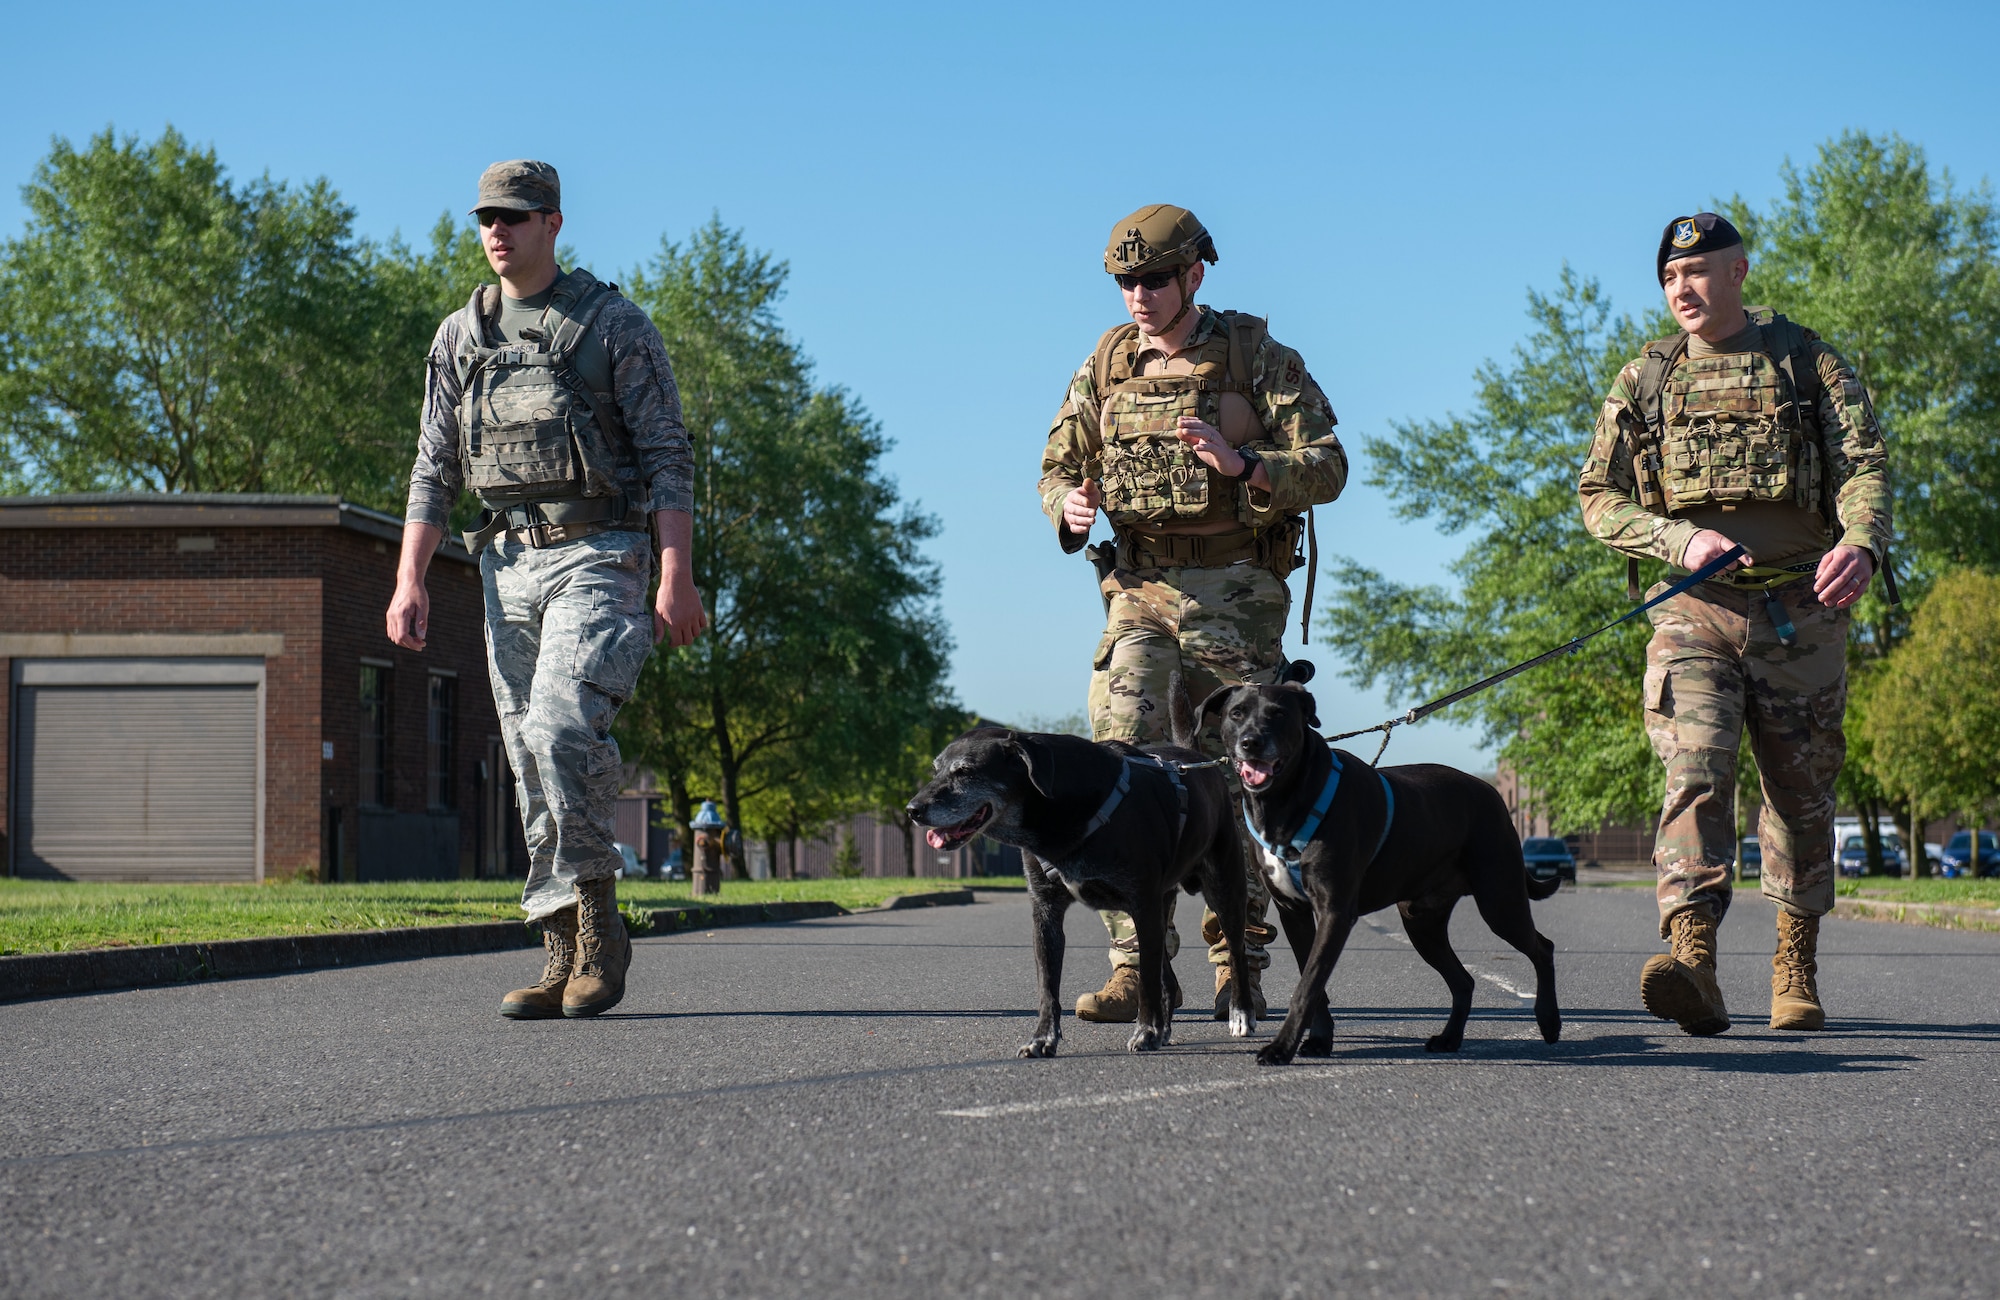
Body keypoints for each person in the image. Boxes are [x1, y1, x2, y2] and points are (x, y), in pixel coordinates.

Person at [386, 160, 707, 1019]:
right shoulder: (459, 336)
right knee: (527, 755)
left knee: (566, 727)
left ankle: (602, 923)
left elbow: (669, 457)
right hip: (504, 566)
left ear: (554, 223)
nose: (499, 231)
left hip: (600, 553)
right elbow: (434, 467)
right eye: (488, 217)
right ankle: (558, 941)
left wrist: (676, 573)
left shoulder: (613, 326)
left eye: (517, 217)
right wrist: (408, 579)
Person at [1577, 212, 1891, 1035]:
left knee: (1800, 793)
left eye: (1700, 272)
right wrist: (1680, 539)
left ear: (1740, 271)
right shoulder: (1643, 379)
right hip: (1695, 613)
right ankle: (1694, 962)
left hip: (1803, 613)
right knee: (1696, 772)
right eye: (1670, 278)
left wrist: (1860, 542)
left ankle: (1795, 964)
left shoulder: (1807, 360)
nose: (1683, 288)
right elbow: (1597, 500)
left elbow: (1864, 465)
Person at [1037, 204, 1348, 1024]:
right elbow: (1055, 464)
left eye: (1153, 279)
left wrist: (1247, 465)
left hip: (1237, 593)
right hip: (1138, 593)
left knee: (1240, 776)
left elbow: (1328, 463)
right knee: (1118, 765)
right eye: (1125, 281)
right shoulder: (1105, 364)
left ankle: (1237, 958)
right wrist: (1065, 506)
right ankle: (1138, 967)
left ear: (1195, 275)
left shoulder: (1255, 355)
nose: (1138, 295)